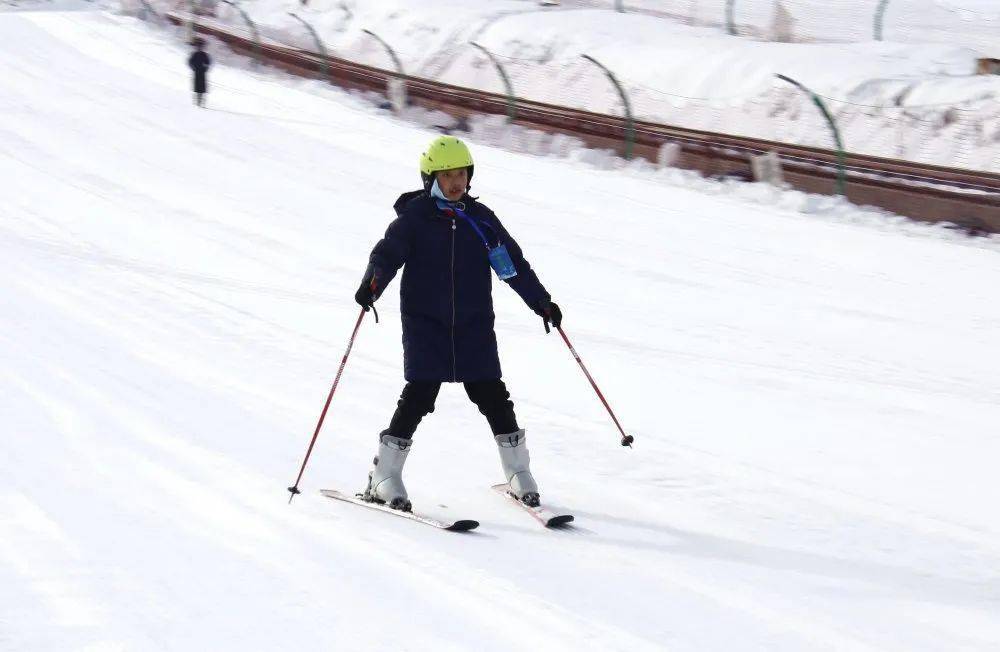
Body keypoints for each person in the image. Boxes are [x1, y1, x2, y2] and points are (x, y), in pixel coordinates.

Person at [354, 136, 562, 512]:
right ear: (430, 177)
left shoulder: (481, 220)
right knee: (419, 396)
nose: (456, 182)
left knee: (493, 396)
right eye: (447, 174)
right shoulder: (415, 218)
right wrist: (372, 284)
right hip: (426, 324)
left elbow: (512, 264)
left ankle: (518, 472)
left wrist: (541, 302)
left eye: (462, 173)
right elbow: (387, 254)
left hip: (472, 325)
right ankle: (384, 476)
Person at [188, 39, 211, 107]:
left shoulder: (204, 55)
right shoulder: (194, 54)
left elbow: (208, 63)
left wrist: (205, 69)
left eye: (200, 47)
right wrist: (193, 68)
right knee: (198, 88)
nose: (199, 48)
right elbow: (190, 62)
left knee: (202, 89)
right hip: (197, 72)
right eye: (198, 47)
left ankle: (201, 102)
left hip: (202, 73)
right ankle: (198, 102)